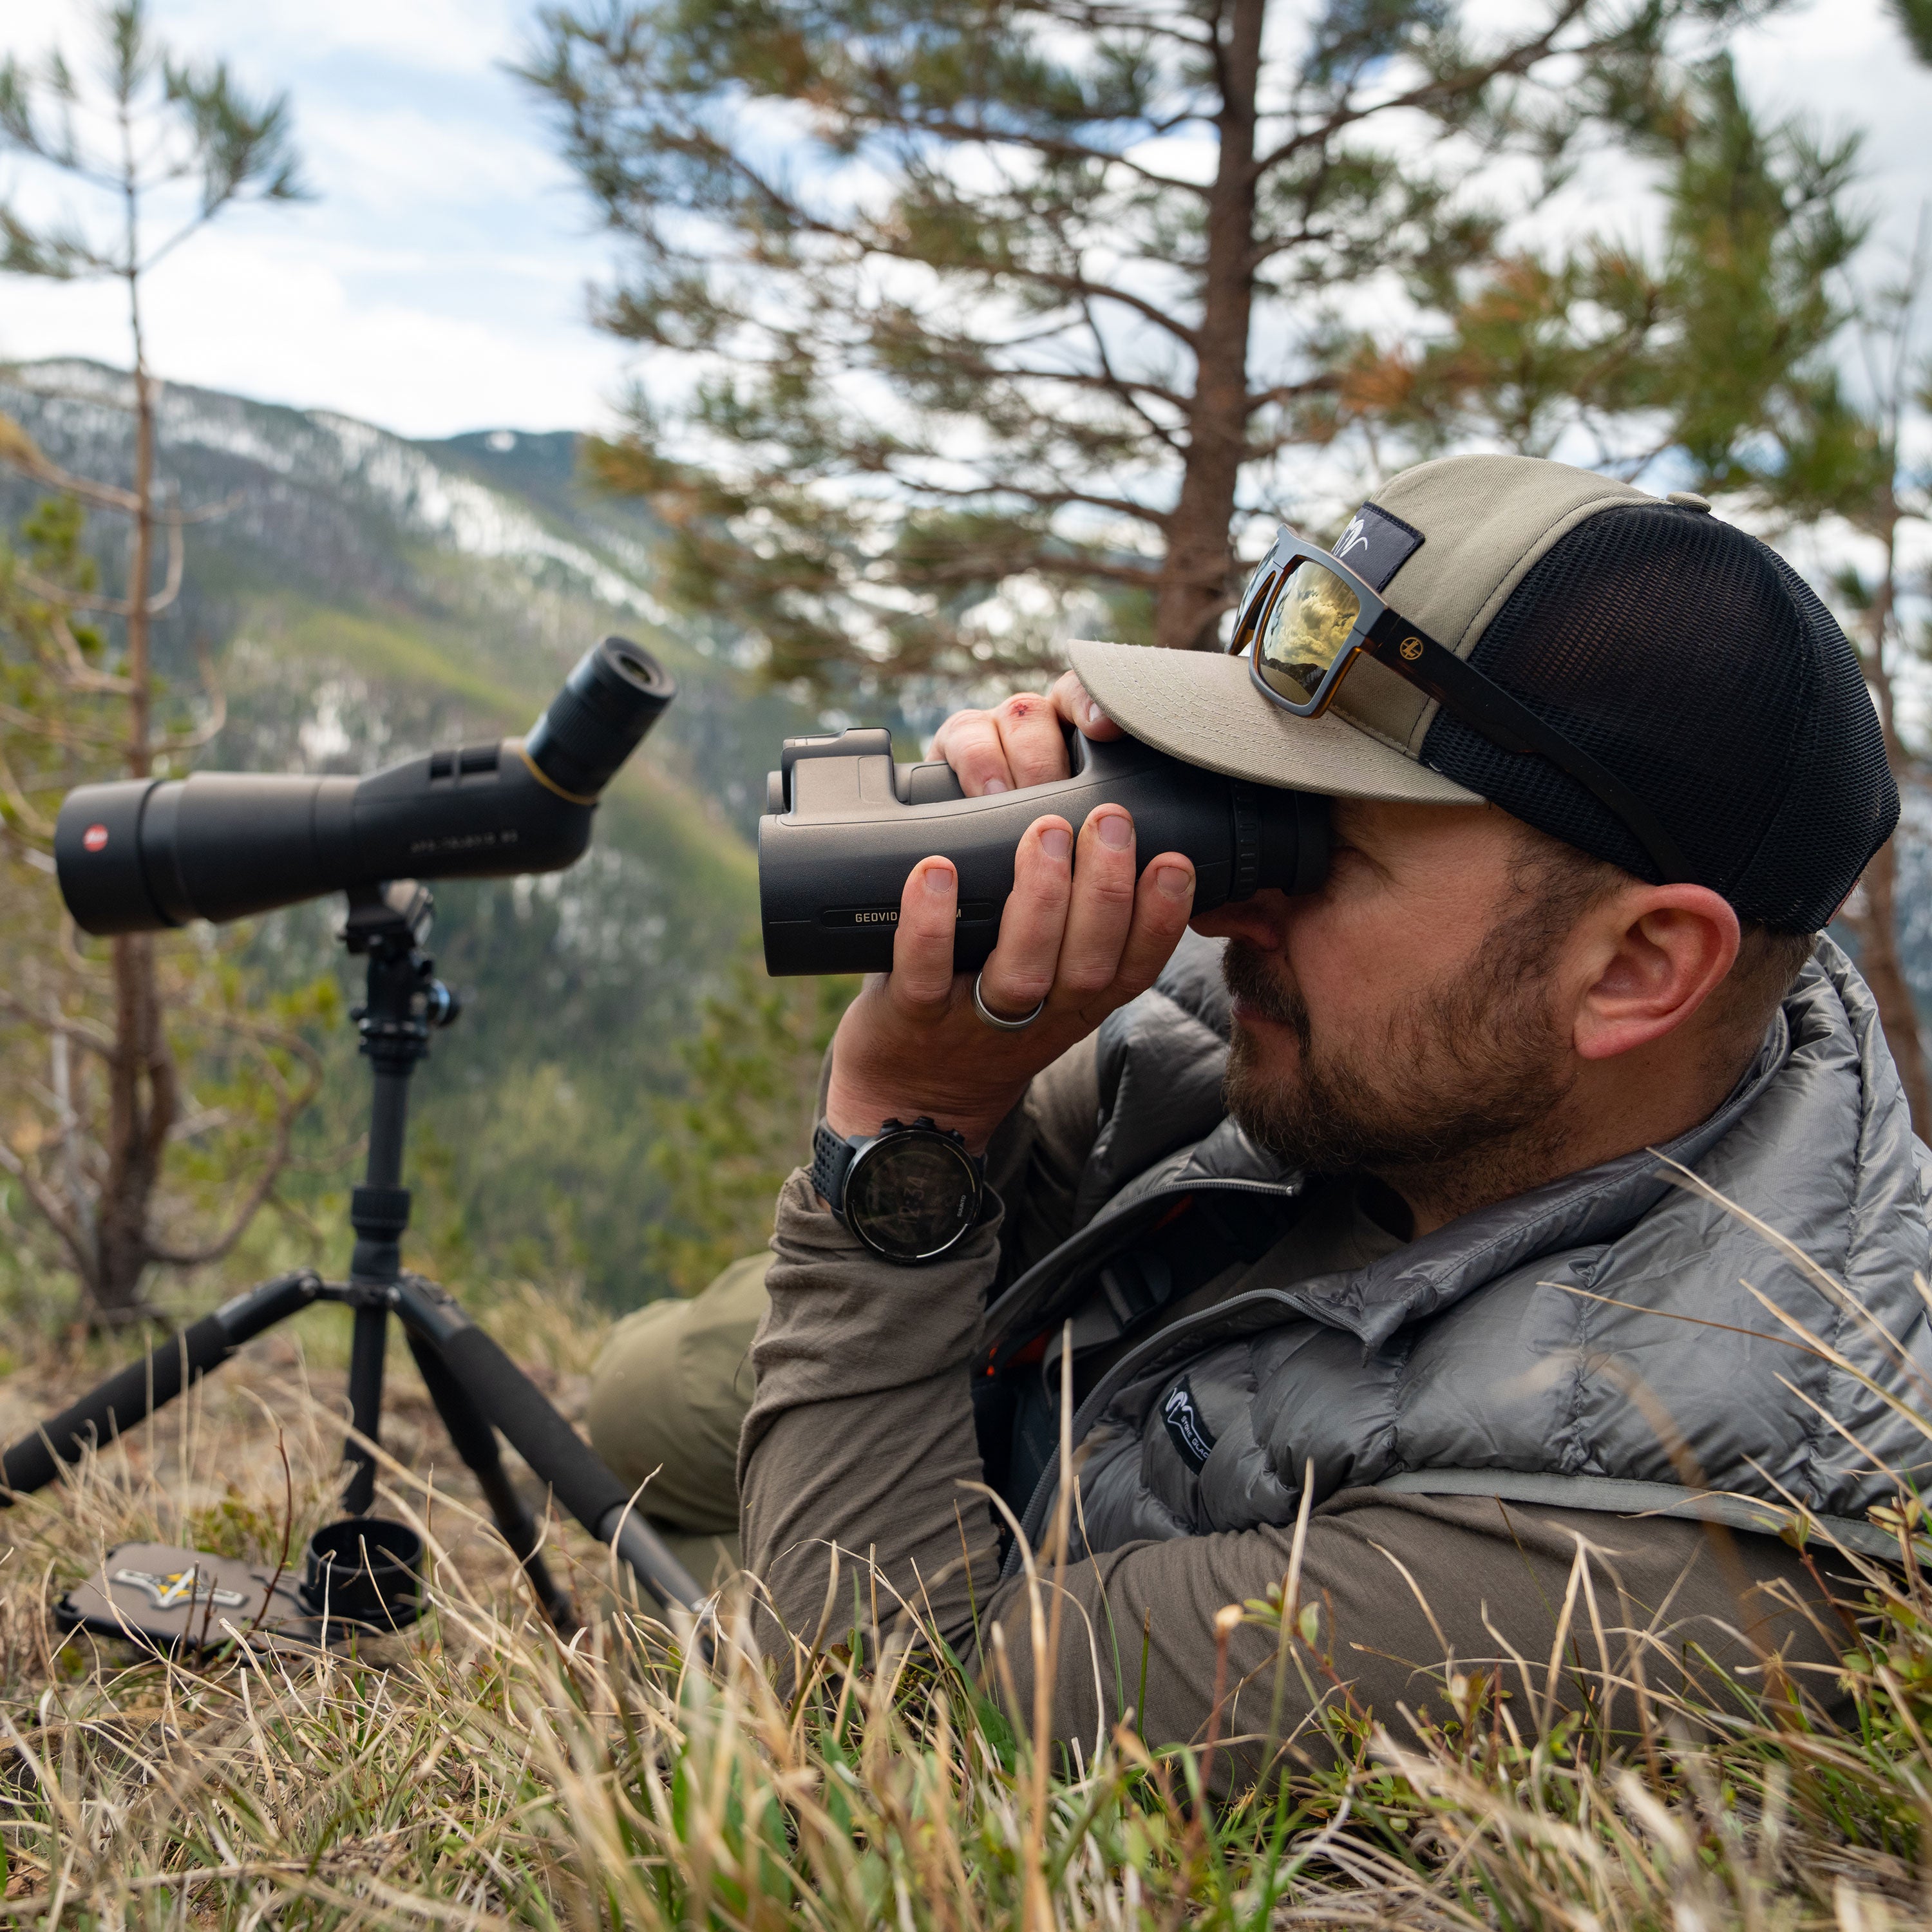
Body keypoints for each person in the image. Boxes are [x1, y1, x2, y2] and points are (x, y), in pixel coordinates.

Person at [591, 453, 1929, 1780]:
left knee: (696, 1578)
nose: (1235, 908)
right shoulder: (1411, 1039)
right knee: (633, 1406)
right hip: (1063, 1435)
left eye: (1316, 847)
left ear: (1636, 968)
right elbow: (698, 1393)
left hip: (1037, 1571)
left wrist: (907, 1116)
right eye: (1249, 803)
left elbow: (879, 1742)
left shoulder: (1616, 1556)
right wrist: (1015, 953)